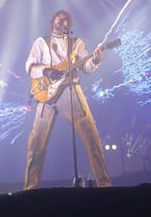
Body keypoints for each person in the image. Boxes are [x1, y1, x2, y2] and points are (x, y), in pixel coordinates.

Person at [24, 10, 111, 189]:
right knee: (36, 143)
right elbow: (30, 66)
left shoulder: (76, 43)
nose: (64, 21)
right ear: (53, 21)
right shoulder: (41, 42)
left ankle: (104, 184)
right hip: (45, 95)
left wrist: (95, 59)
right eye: (60, 18)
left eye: (67, 20)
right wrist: (46, 71)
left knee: (92, 138)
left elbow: (86, 67)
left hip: (70, 90)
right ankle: (30, 188)